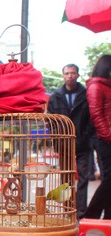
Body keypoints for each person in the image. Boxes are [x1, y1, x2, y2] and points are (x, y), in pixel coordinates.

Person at [47, 63, 91, 219]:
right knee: (66, 176)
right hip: (63, 142)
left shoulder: (86, 94)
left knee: (84, 176)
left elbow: (91, 119)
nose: (70, 76)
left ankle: (81, 211)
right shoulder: (55, 96)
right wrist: (56, 139)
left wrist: (86, 137)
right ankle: (67, 208)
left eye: (73, 73)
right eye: (67, 73)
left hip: (84, 143)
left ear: (78, 75)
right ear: (63, 75)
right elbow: (50, 121)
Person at [83, 55, 111, 220]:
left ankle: (108, 218)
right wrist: (108, 135)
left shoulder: (107, 86)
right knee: (109, 179)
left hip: (106, 137)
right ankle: (90, 215)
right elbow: (96, 114)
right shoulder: (96, 86)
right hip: (104, 139)